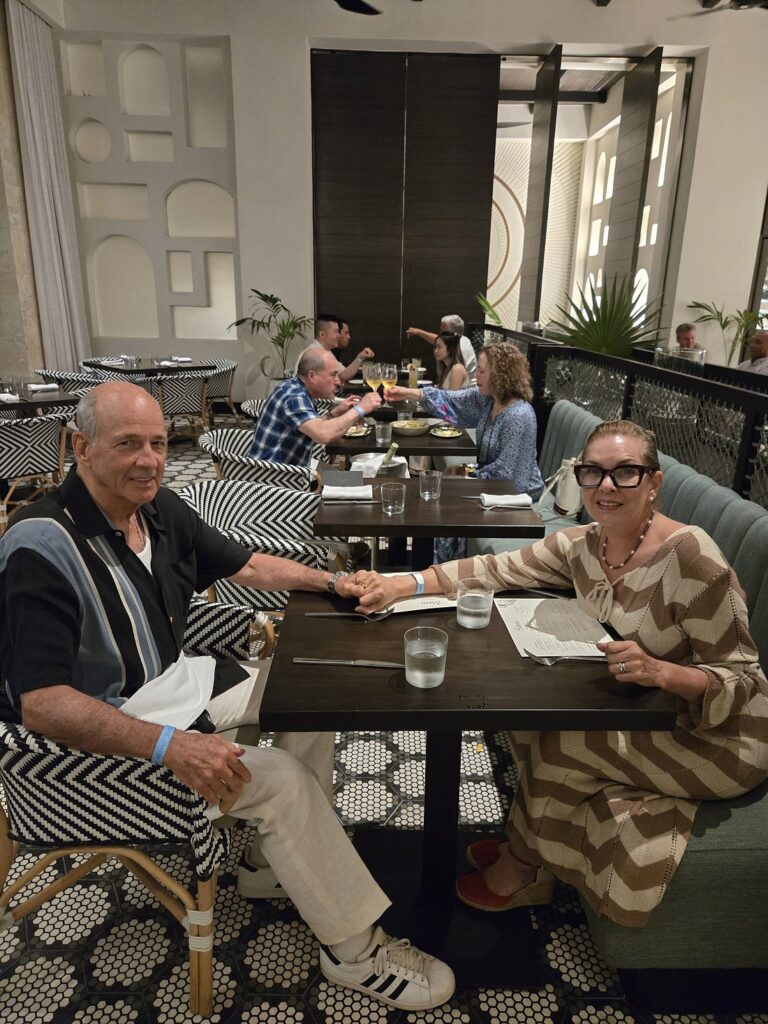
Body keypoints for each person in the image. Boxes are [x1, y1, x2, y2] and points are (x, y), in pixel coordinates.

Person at [0, 382, 454, 1011]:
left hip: (176, 685)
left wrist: (332, 581)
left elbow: (247, 565)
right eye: (128, 444)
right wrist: (169, 745)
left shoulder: (156, 510)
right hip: (102, 746)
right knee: (283, 780)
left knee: (310, 695)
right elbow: (42, 703)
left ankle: (273, 865)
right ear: (81, 447)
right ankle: (355, 951)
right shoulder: (41, 544)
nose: (149, 460)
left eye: (159, 443)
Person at [352, 419, 768, 928]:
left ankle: (524, 869)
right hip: (645, 713)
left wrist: (663, 672)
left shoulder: (691, 558)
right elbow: (496, 569)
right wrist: (403, 585)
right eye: (593, 472)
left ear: (654, 483)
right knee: (532, 722)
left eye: (625, 473)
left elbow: (743, 678)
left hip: (720, 737)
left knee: (563, 743)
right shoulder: (587, 545)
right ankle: (528, 841)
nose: (606, 486)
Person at [387, 342, 543, 492]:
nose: (476, 376)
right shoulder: (488, 400)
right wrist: (408, 393)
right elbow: (450, 399)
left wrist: (467, 474)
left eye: (481, 371)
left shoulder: (519, 415)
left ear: (501, 376)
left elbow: (508, 474)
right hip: (491, 487)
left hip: (520, 495)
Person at [250, 348, 381, 465]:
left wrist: (335, 413)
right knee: (350, 479)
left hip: (281, 471)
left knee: (340, 476)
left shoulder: (293, 387)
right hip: (273, 478)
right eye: (333, 375)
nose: (338, 382)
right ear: (312, 376)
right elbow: (323, 434)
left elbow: (309, 426)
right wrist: (360, 408)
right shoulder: (294, 397)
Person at [296, 315, 374, 384]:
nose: (339, 335)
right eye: (336, 332)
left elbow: (343, 374)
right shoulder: (313, 355)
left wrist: (360, 357)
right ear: (322, 334)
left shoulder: (326, 352)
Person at [407, 314, 477, 384]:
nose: (436, 351)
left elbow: (454, 389)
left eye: (442, 331)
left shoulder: (459, 358)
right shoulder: (461, 339)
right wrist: (418, 332)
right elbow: (436, 339)